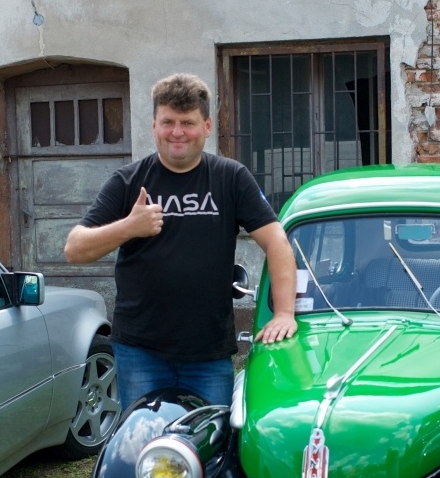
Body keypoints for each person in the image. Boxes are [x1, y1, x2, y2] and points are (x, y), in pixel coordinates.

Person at [64, 74, 297, 409]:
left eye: (187, 122)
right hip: (140, 352)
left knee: (210, 449)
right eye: (168, 122)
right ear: (153, 126)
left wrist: (285, 312)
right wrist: (129, 226)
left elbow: (276, 241)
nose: (177, 132)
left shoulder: (231, 178)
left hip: (208, 354)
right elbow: (75, 248)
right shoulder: (128, 181)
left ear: (206, 126)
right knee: (145, 446)